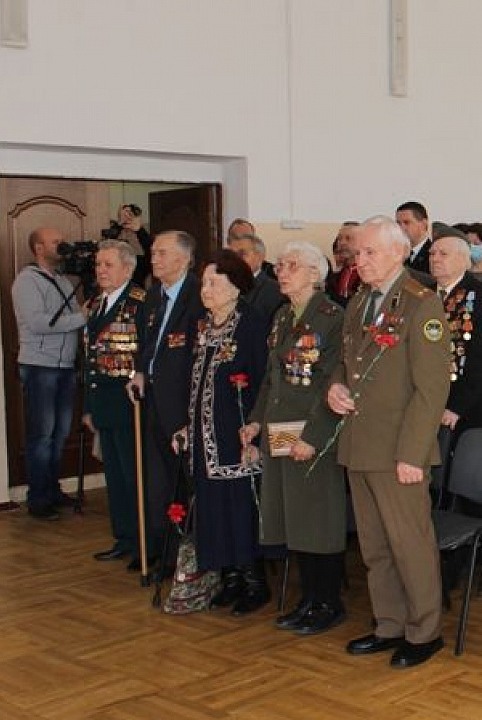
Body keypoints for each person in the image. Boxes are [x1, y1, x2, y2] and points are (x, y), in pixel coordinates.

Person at [326, 215, 451, 669]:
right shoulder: (360, 301)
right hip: (361, 443)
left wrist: (412, 455)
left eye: (369, 252)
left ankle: (424, 631)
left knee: (409, 545)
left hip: (399, 449)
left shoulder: (421, 305)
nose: (359, 261)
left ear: (398, 252)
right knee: (376, 547)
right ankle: (389, 624)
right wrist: (335, 387)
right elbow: (348, 364)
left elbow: (432, 389)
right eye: (357, 253)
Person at [242, 241, 349, 636]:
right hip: (280, 429)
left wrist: (315, 437)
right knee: (294, 518)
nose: (281, 272)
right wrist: (255, 422)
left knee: (319, 519)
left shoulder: (332, 317)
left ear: (314, 274)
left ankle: (328, 602)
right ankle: (308, 599)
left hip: (311, 432)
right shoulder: (283, 315)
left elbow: (334, 382)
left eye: (291, 266)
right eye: (281, 265)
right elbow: (271, 378)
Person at [177, 250, 270, 615]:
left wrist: (257, 429)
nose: (206, 289)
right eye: (204, 283)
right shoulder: (200, 324)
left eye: (214, 282)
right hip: (203, 435)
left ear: (235, 286)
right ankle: (229, 579)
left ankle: (254, 582)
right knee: (213, 508)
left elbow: (264, 380)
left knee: (239, 507)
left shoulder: (251, 323)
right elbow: (191, 379)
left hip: (238, 435)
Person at [128, 230, 205, 571]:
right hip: (155, 403)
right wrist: (141, 371)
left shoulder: (199, 296)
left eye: (161, 253)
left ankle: (197, 556)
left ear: (183, 258)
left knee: (189, 482)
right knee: (161, 483)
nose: (153, 258)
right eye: (154, 253)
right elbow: (148, 343)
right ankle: (169, 553)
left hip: (185, 406)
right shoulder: (153, 296)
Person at [12, 227, 87, 520]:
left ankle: (53, 490)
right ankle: (39, 499)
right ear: (39, 248)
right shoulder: (26, 282)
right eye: (56, 242)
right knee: (41, 436)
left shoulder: (63, 281)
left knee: (59, 434)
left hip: (65, 365)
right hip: (39, 365)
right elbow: (39, 323)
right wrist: (82, 317)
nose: (63, 245)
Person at [82, 240, 147, 560]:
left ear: (127, 267)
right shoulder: (95, 303)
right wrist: (87, 408)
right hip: (103, 403)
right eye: (98, 265)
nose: (101, 271)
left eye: (108, 265)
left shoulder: (139, 303)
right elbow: (88, 359)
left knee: (134, 477)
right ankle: (123, 538)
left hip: (128, 404)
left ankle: (143, 543)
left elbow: (144, 355)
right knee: (116, 480)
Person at [429, 235, 482, 439]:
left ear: (464, 259)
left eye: (443, 254)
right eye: (432, 253)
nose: (435, 259)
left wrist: (456, 407)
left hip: (470, 407)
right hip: (428, 400)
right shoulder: (423, 296)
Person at [229, 233, 284, 325]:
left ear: (260, 257)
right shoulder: (225, 287)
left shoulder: (274, 290)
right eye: (232, 256)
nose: (235, 260)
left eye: (242, 254)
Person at [326, 222, 362, 307]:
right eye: (339, 239)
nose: (342, 243)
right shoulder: (336, 276)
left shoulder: (367, 276)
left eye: (348, 238)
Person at [396, 201, 433, 273]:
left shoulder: (433, 254)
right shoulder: (397, 255)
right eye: (398, 223)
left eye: (406, 223)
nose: (401, 228)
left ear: (424, 224)